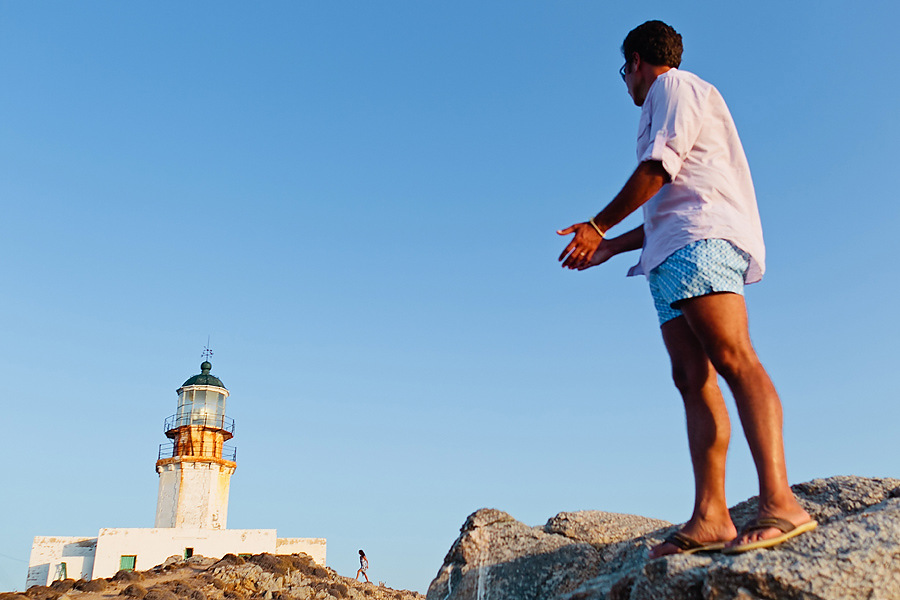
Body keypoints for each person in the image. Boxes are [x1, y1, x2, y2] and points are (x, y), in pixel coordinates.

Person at [557, 20, 816, 557]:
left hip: (703, 240)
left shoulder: (673, 87)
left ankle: (780, 501)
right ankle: (711, 517)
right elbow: (663, 200)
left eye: (624, 70)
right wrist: (611, 246)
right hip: (671, 248)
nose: (625, 81)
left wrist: (598, 225)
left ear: (636, 60)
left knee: (733, 356)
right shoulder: (664, 101)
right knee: (690, 375)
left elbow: (660, 168)